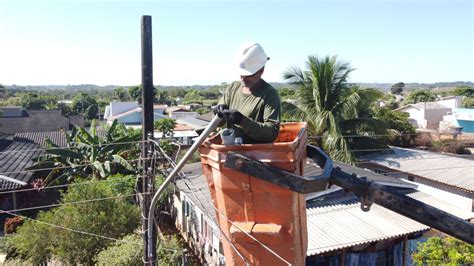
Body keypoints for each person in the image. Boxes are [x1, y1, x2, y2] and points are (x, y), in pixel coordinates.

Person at [213, 42, 281, 144]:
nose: (243, 78)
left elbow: (271, 133)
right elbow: (219, 123)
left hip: (256, 155)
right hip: (232, 152)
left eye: (248, 75)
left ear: (261, 70)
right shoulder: (233, 88)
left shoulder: (270, 95)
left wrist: (242, 121)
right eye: (241, 74)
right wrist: (217, 114)